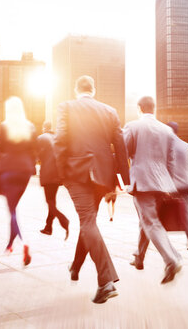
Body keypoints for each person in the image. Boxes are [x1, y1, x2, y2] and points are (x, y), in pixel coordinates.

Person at [55, 75, 130, 304]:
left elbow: (60, 140)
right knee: (89, 222)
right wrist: (123, 179)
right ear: (93, 90)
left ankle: (105, 281)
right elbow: (120, 145)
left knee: (87, 221)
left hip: (77, 174)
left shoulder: (66, 107)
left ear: (76, 90)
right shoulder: (109, 111)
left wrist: (61, 174)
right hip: (103, 176)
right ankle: (76, 267)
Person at [124, 97, 182, 284]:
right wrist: (170, 186)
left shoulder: (133, 126)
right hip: (162, 183)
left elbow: (124, 152)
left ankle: (171, 259)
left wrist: (123, 180)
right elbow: (171, 160)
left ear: (139, 108)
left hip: (142, 182)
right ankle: (138, 258)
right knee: (147, 220)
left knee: (150, 222)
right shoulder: (167, 130)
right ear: (154, 109)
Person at [0, 96, 36, 266]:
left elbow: (1, 149)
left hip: (9, 170)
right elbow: (34, 150)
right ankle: (10, 244)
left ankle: (23, 242)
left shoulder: (4, 127)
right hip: (25, 172)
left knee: (12, 210)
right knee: (13, 208)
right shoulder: (30, 127)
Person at [166, 121, 188, 253]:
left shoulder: (166, 145)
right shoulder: (186, 145)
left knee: (158, 214)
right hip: (187, 183)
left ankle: (164, 246)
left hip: (172, 185)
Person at [36, 121, 69, 238]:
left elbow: (36, 155)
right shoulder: (56, 138)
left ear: (44, 127)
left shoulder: (41, 138)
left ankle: (63, 219)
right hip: (58, 174)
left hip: (48, 173)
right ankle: (48, 227)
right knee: (52, 201)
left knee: (49, 201)